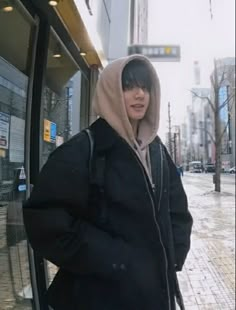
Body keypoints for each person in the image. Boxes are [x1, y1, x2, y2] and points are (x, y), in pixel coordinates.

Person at [23, 55, 193, 310]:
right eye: (129, 87)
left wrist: (173, 254)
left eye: (145, 87)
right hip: (101, 296)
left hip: (154, 295)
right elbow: (45, 221)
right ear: (111, 92)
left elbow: (176, 209)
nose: (140, 95)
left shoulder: (157, 151)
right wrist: (116, 259)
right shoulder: (85, 149)